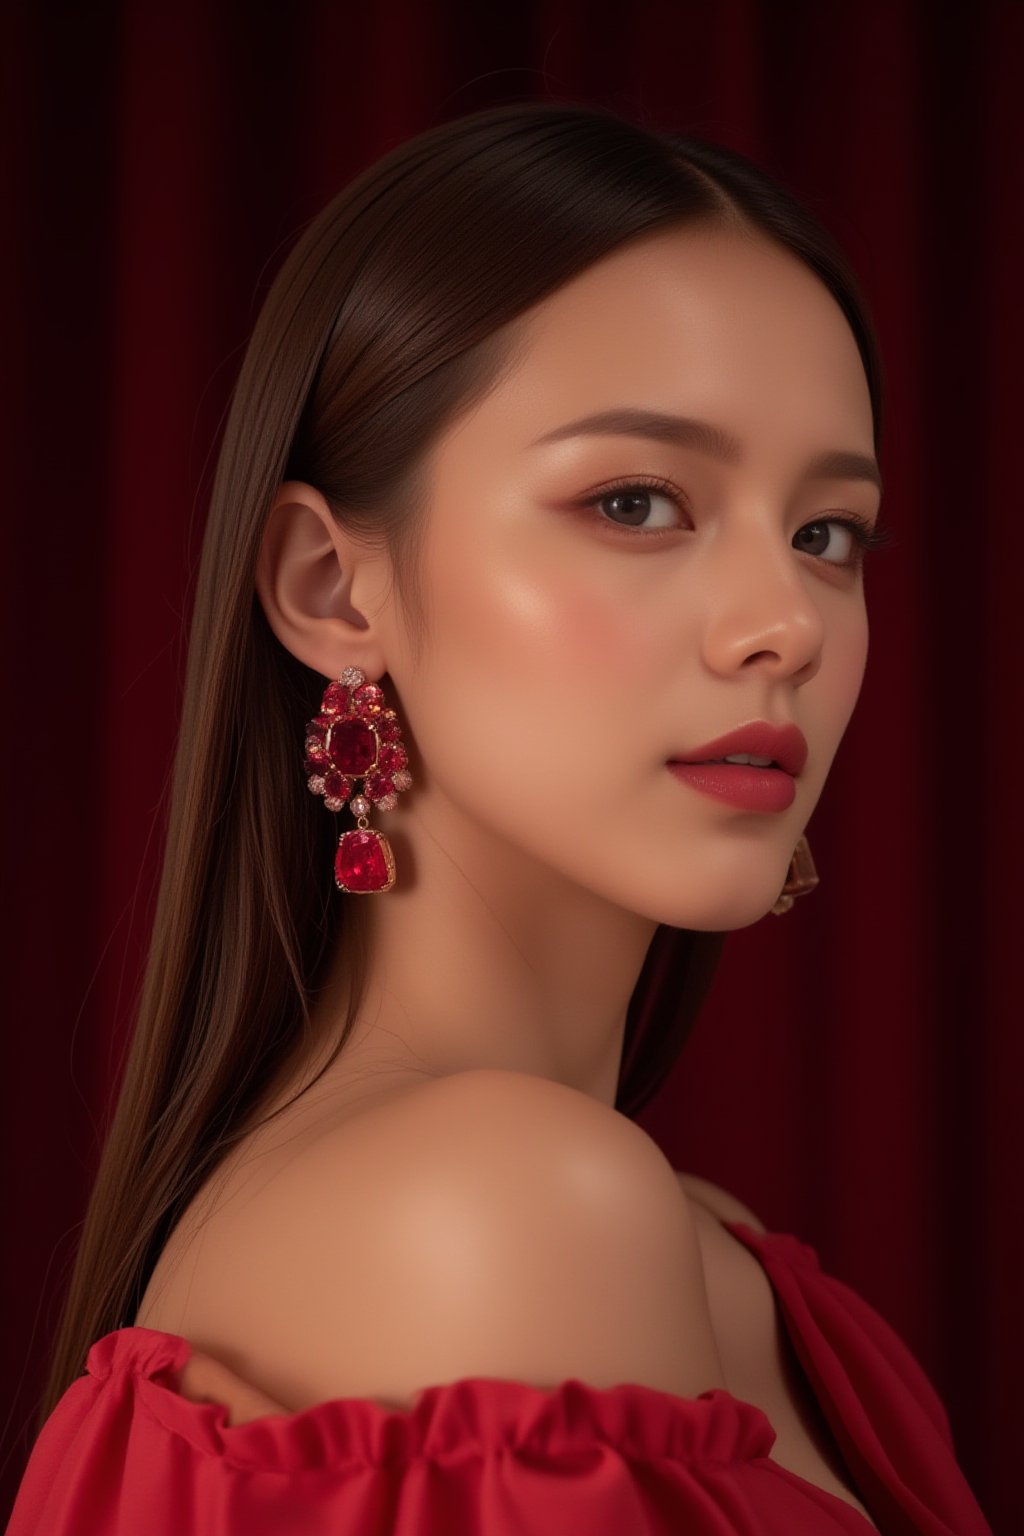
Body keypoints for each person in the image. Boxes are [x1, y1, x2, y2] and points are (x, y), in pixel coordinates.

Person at [7, 101, 992, 1534]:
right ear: (333, 590)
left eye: (825, 532)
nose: (783, 623)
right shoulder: (505, 1218)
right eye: (638, 500)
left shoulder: (711, 1251)